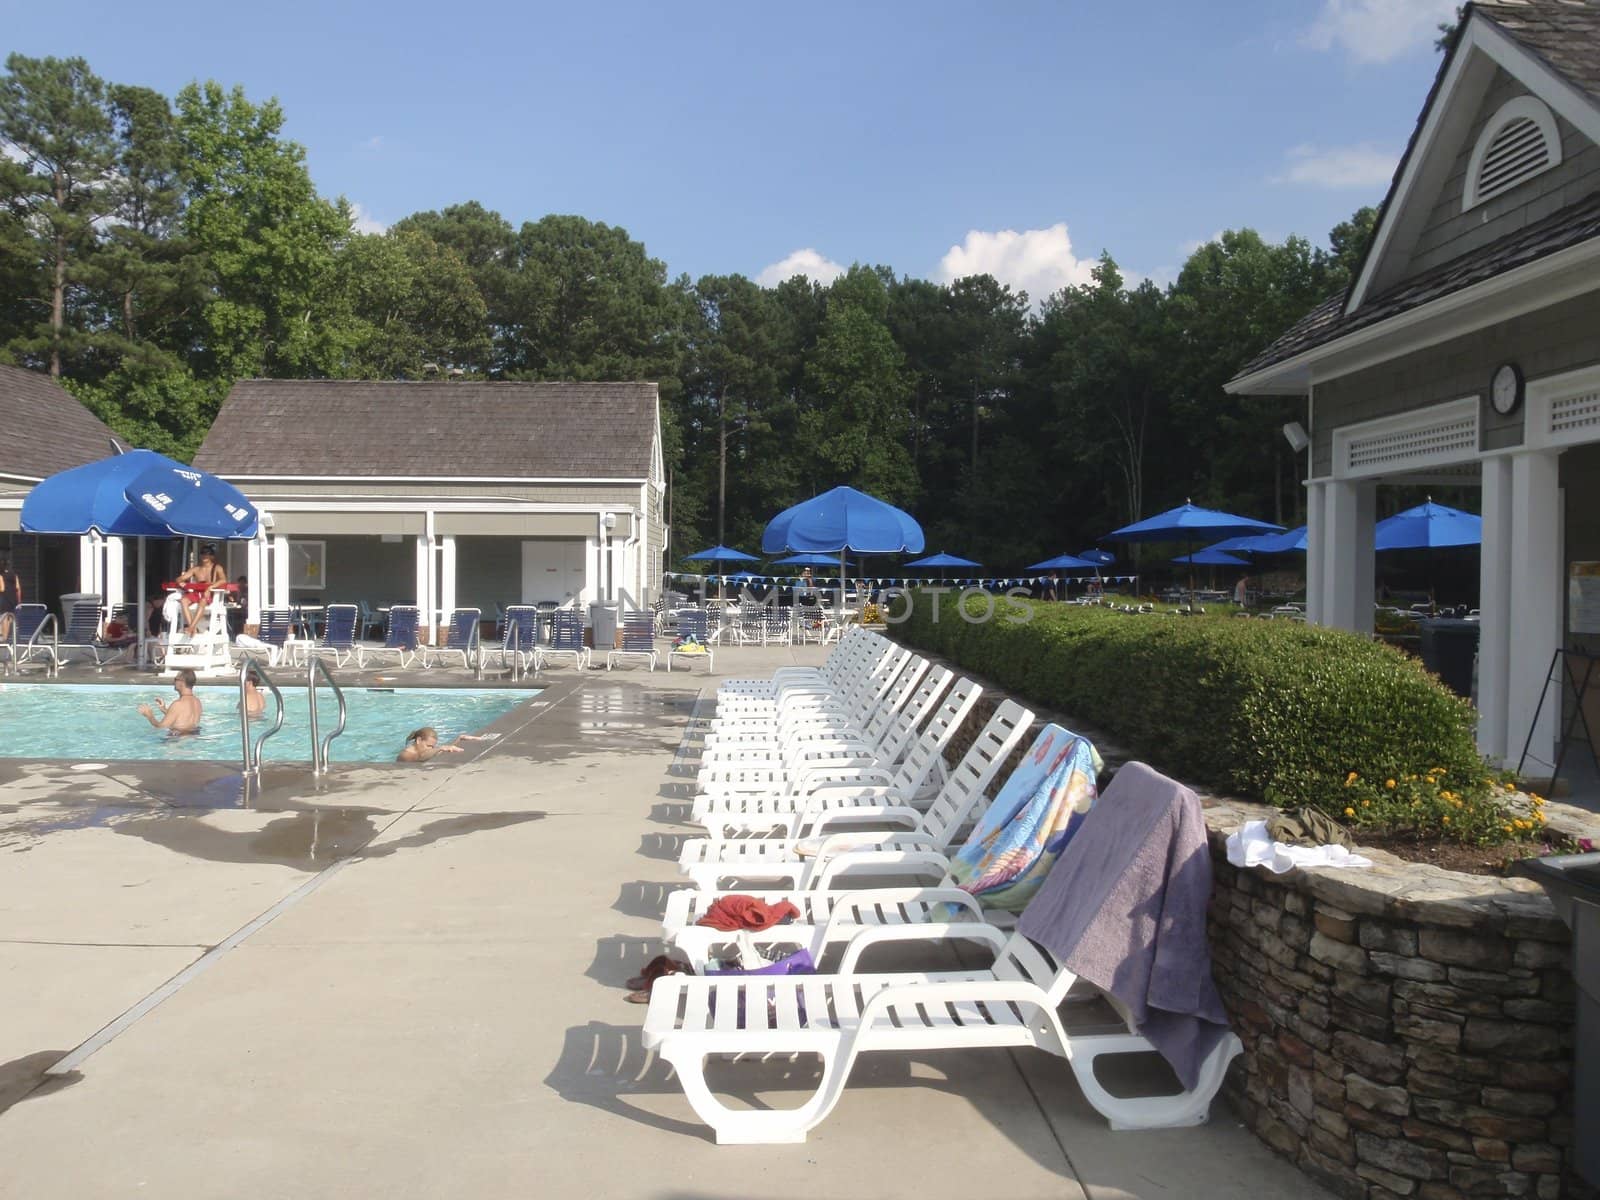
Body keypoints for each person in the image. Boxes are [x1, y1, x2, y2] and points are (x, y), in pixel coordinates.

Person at [175, 545, 229, 635]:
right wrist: (180, 582)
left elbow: (223, 580)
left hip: (209, 594)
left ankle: (191, 628)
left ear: (212, 556)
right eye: (203, 554)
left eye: (207, 554)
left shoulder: (217, 567)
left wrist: (210, 587)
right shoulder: (196, 569)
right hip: (196, 593)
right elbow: (179, 578)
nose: (204, 556)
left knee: (203, 601)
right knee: (183, 600)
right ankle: (192, 628)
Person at [138, 668, 203, 734]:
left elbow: (160, 727)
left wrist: (149, 715)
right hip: (193, 736)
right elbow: (183, 720)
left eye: (175, 679)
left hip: (176, 740)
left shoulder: (178, 704)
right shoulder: (197, 702)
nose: (173, 682)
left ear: (182, 681)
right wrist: (164, 709)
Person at [396, 726, 487, 763]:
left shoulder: (422, 750)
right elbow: (420, 758)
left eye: (432, 746)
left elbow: (434, 752)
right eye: (428, 746)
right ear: (419, 740)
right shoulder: (405, 755)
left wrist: (460, 739)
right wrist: (440, 748)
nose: (430, 749)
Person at [0, 555, 19, 641]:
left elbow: (2, 588)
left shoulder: (1, 575)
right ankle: (7, 636)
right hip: (12, 598)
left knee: (4, 617)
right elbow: (18, 587)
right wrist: (18, 600)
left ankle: (4, 637)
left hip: (4, 598)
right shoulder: (14, 574)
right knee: (10, 617)